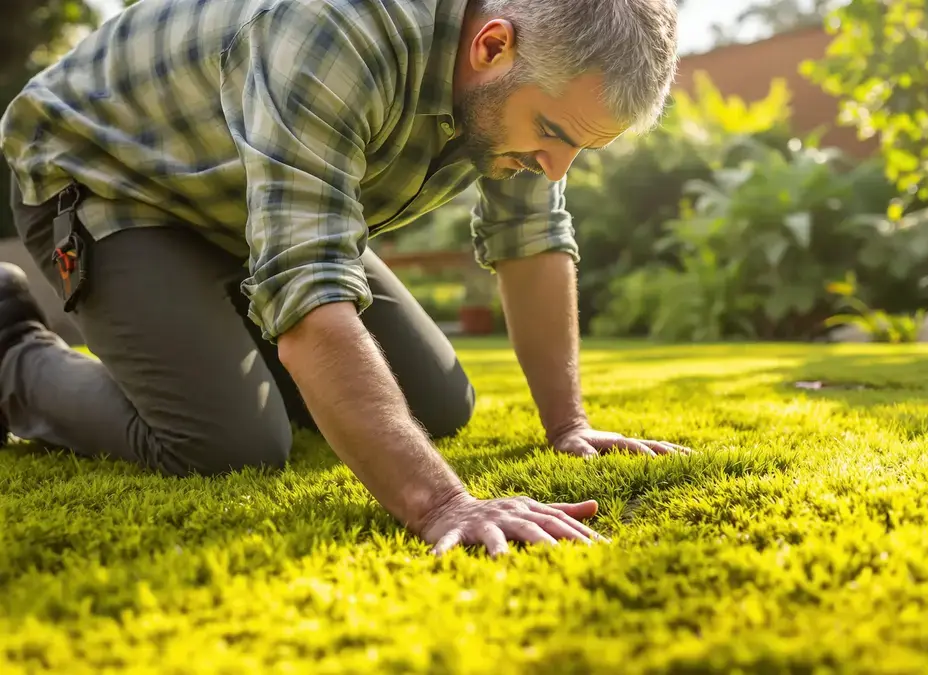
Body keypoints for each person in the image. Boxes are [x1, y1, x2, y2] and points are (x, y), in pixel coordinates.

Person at [0, 0, 688, 557]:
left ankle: (204, 335)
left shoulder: (531, 93)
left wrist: (568, 422)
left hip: (253, 202)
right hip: (110, 183)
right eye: (552, 134)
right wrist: (444, 503)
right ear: (491, 47)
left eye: (581, 147)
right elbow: (307, 287)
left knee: (440, 403)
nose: (557, 167)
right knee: (228, 442)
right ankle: (15, 355)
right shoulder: (334, 32)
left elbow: (531, 237)